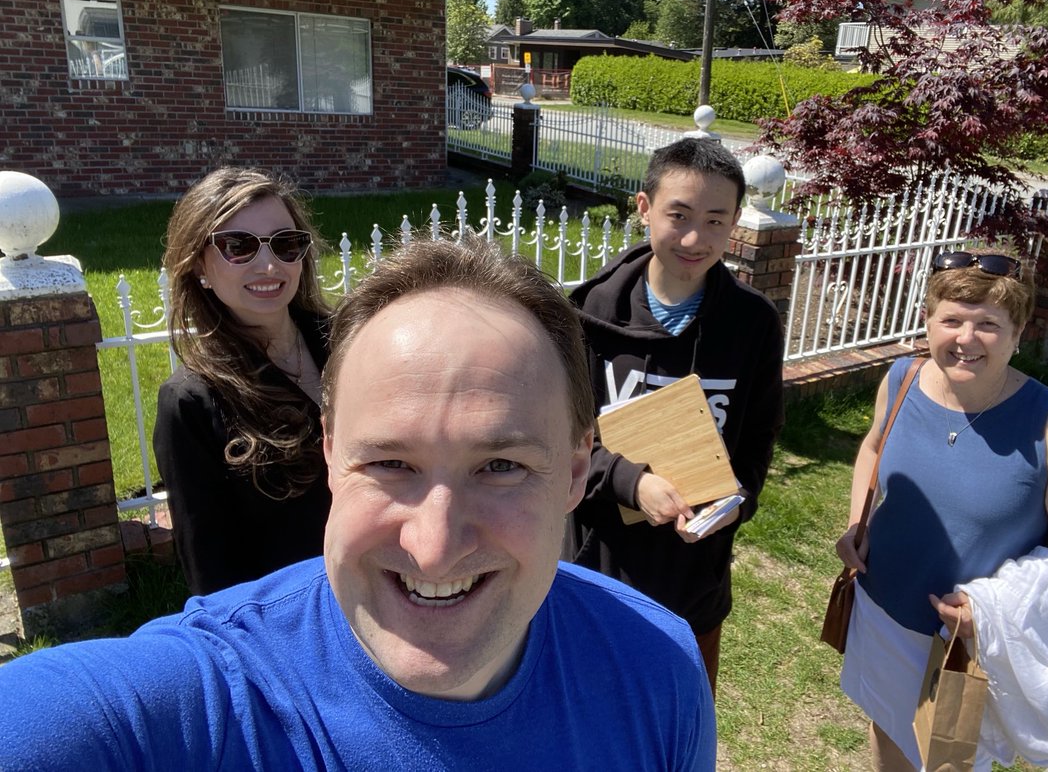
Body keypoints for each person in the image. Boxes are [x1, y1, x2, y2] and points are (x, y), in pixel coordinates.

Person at [0, 239, 717, 770]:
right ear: (331, 458)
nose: (435, 546)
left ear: (573, 473)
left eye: (500, 465)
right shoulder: (207, 702)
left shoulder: (654, 664)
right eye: (389, 463)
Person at [836, 249, 1048, 771]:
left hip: (967, 646)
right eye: (952, 320)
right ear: (928, 321)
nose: (965, 339)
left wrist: (991, 609)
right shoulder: (901, 380)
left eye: (987, 324)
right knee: (888, 727)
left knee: (950, 761)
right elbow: (872, 448)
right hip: (880, 610)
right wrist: (857, 522)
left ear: (1017, 332)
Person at [566, 137, 785, 693]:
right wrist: (631, 483)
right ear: (643, 208)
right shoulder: (587, 313)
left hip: (695, 576)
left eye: (715, 220)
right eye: (678, 215)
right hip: (598, 567)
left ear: (736, 220)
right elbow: (559, 439)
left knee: (677, 726)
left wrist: (739, 501)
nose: (695, 238)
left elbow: (758, 433)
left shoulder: (752, 324)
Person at [153, 167, 332, 594]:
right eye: (238, 247)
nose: (269, 264)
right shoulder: (191, 404)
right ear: (199, 265)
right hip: (295, 621)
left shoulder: (352, 341)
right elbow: (213, 572)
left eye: (286, 244)